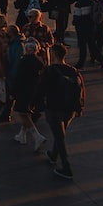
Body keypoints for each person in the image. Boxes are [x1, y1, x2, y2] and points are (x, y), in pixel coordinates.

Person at [34, 43, 84, 180]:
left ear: (54, 54)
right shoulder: (74, 71)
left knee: (59, 137)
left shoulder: (50, 71)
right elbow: (81, 90)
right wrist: (80, 107)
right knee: (60, 134)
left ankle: (66, 168)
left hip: (54, 108)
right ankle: (53, 155)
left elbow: (41, 89)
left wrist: (37, 106)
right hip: (70, 109)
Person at [11, 38, 47, 152]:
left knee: (21, 113)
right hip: (35, 91)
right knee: (27, 113)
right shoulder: (39, 61)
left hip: (24, 91)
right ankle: (22, 135)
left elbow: (18, 78)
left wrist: (12, 92)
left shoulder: (23, 61)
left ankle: (37, 136)